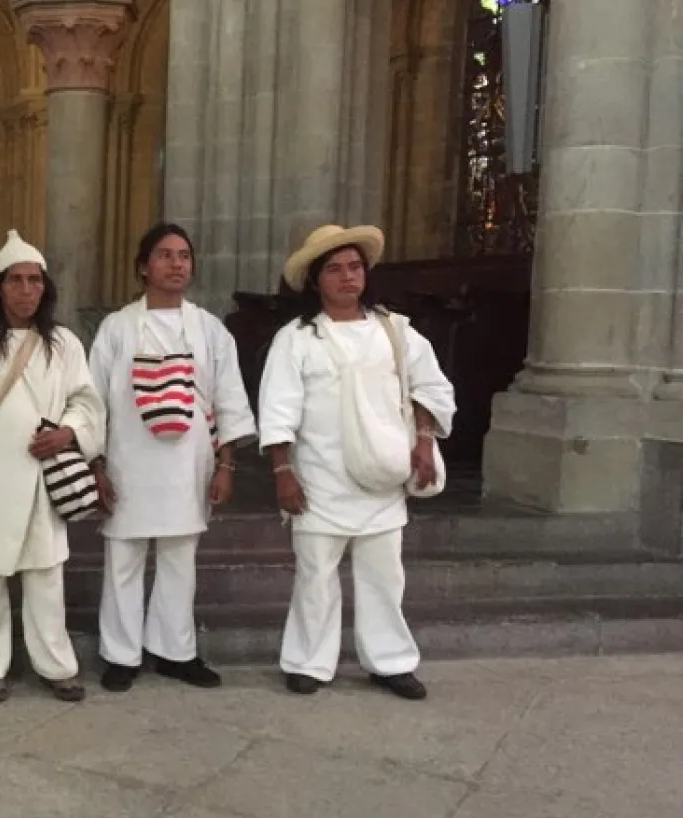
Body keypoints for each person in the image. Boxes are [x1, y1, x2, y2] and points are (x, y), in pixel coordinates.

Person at [258, 224, 456, 700]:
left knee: (384, 576)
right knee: (315, 577)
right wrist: (283, 473)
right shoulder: (298, 339)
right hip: (319, 478)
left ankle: (390, 661)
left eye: (354, 267)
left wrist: (424, 442)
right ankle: (309, 662)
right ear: (316, 280)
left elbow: (430, 387)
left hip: (383, 477)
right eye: (334, 269)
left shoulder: (395, 330)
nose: (347, 277)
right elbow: (278, 408)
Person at [88, 222, 258, 693]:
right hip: (129, 462)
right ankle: (121, 653)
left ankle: (174, 650)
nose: (176, 263)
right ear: (143, 267)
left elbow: (229, 400)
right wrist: (96, 465)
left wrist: (226, 465)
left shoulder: (210, 330)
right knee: (123, 556)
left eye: (184, 255)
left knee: (180, 558)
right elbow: (92, 401)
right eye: (164, 255)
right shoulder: (117, 327)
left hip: (189, 465)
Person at [0, 230, 105, 704]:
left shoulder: (65, 344)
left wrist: (68, 433)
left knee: (46, 576)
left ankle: (56, 666)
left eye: (35, 280)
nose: (27, 290)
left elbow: (87, 403)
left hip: (44, 482)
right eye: (16, 280)